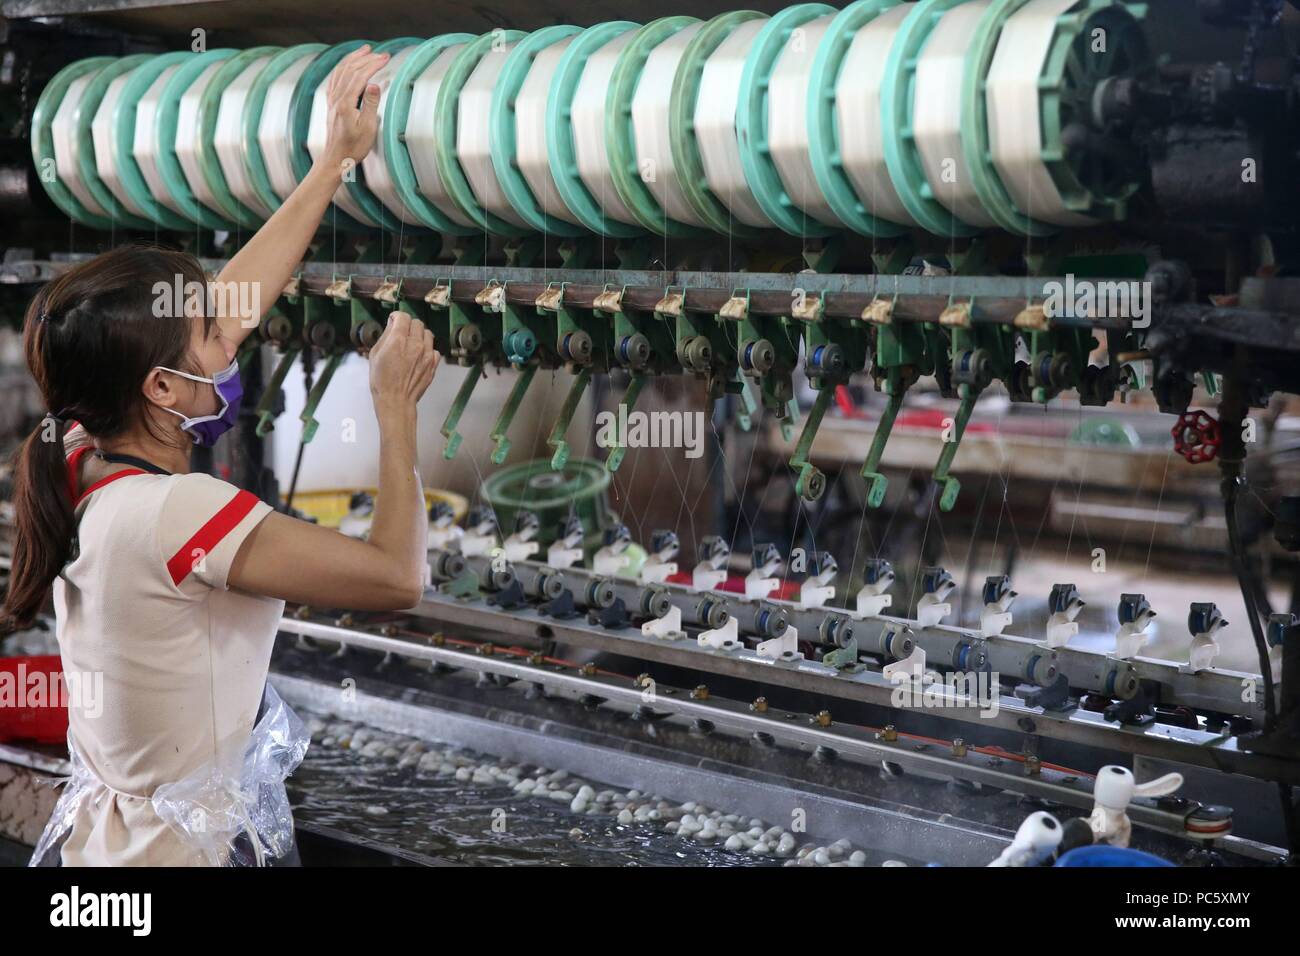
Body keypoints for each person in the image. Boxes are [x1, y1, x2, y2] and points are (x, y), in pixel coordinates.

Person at [0, 45, 441, 865]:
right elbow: (395, 579)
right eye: (207, 336)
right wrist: (394, 410)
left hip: (105, 858)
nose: (230, 338)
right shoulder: (178, 512)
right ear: (163, 390)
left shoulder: (80, 458)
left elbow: (234, 306)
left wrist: (331, 164)